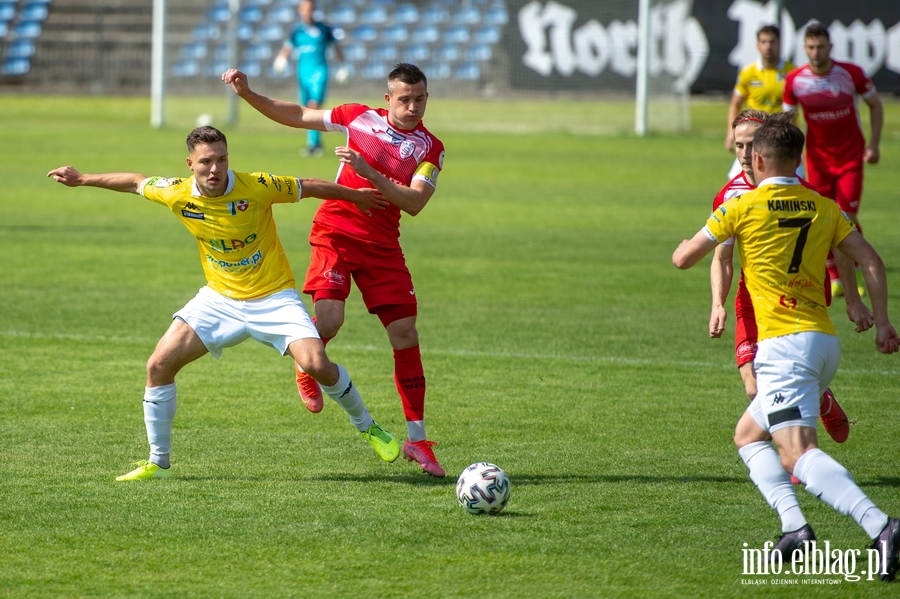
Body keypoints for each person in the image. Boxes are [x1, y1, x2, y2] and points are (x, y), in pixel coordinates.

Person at [47, 126, 400, 481]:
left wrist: (355, 197)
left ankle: (369, 427)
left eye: (221, 160)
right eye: (206, 162)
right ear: (190, 164)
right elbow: (135, 182)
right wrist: (83, 179)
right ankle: (158, 463)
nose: (215, 169)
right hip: (219, 300)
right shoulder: (176, 192)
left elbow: (308, 185)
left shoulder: (257, 185)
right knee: (158, 366)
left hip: (274, 297)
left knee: (317, 363)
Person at [673, 114, 900, 580]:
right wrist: (883, 323)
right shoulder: (823, 205)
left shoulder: (742, 206)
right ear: (798, 161)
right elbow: (870, 260)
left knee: (795, 454)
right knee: (748, 437)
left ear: (756, 159)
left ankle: (882, 525)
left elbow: (683, 258)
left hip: (783, 345)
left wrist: (688, 242)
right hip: (822, 339)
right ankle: (794, 527)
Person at [222, 63, 447, 477]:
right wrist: (248, 95)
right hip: (336, 231)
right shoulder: (356, 116)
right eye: (404, 99)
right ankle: (307, 363)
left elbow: (414, 203)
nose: (413, 107)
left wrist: (369, 173)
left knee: (405, 334)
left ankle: (417, 441)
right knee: (329, 319)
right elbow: (295, 115)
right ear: (388, 99)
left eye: (420, 99)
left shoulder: (431, 148)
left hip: (383, 244)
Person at [709, 109, 872, 447]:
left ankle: (796, 457)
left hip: (801, 303)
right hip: (752, 302)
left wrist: (853, 301)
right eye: (738, 145)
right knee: (754, 388)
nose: (744, 154)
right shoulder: (729, 196)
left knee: (774, 390)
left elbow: (841, 247)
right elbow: (723, 257)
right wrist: (716, 304)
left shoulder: (805, 194)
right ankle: (817, 403)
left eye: (750, 145)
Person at [783, 23, 884, 297]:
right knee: (822, 217)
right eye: (811, 47)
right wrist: (789, 157)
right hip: (816, 160)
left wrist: (873, 145)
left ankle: (855, 261)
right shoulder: (795, 80)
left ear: (831, 47)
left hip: (850, 157)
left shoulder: (850, 75)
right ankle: (835, 275)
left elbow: (875, 105)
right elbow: (790, 122)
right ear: (805, 48)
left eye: (821, 47)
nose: (816, 52)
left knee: (846, 216)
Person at [272, 0, 345, 157]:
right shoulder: (296, 31)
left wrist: (343, 66)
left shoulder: (324, 29)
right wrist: (281, 59)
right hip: (302, 73)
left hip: (320, 72)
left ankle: (314, 144)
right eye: (305, 10)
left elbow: (337, 47)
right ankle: (314, 142)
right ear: (300, 11)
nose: (308, 12)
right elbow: (287, 48)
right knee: (306, 108)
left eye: (311, 9)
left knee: (313, 106)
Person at [724, 25, 794, 179]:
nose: (768, 46)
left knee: (788, 180)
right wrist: (731, 133)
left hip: (782, 137)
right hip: (754, 136)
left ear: (779, 44)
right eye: (763, 42)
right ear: (757, 45)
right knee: (736, 179)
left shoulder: (792, 72)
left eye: (772, 42)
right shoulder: (748, 73)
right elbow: (735, 103)